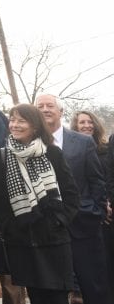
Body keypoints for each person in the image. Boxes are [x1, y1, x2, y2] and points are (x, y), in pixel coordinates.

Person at [0, 103, 79, 304]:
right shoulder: (0, 157)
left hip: (54, 239)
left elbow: (71, 194)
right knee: (36, 296)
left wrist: (60, 220)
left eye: (21, 120)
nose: (15, 125)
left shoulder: (52, 153)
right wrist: (10, 227)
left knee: (57, 297)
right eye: (12, 120)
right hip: (22, 240)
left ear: (35, 125)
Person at [36, 94, 109, 304]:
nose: (45, 109)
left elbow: (97, 181)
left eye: (50, 105)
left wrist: (97, 212)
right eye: (40, 106)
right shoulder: (27, 144)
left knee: (93, 286)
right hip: (46, 229)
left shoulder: (83, 142)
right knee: (52, 291)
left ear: (61, 112)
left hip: (84, 224)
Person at [70, 109, 114, 304]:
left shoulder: (105, 149)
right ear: (75, 126)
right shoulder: (70, 151)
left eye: (90, 122)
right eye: (82, 122)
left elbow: (106, 179)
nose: (87, 125)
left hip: (105, 210)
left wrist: (107, 203)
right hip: (90, 213)